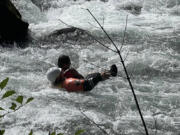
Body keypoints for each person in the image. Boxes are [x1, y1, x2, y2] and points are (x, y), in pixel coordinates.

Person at [46, 64, 117, 92]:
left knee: (90, 74)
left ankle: (109, 72)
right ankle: (110, 74)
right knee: (95, 75)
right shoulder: (69, 82)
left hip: (75, 89)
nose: (63, 72)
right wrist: (99, 77)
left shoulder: (53, 85)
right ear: (58, 77)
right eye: (61, 72)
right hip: (84, 93)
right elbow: (87, 85)